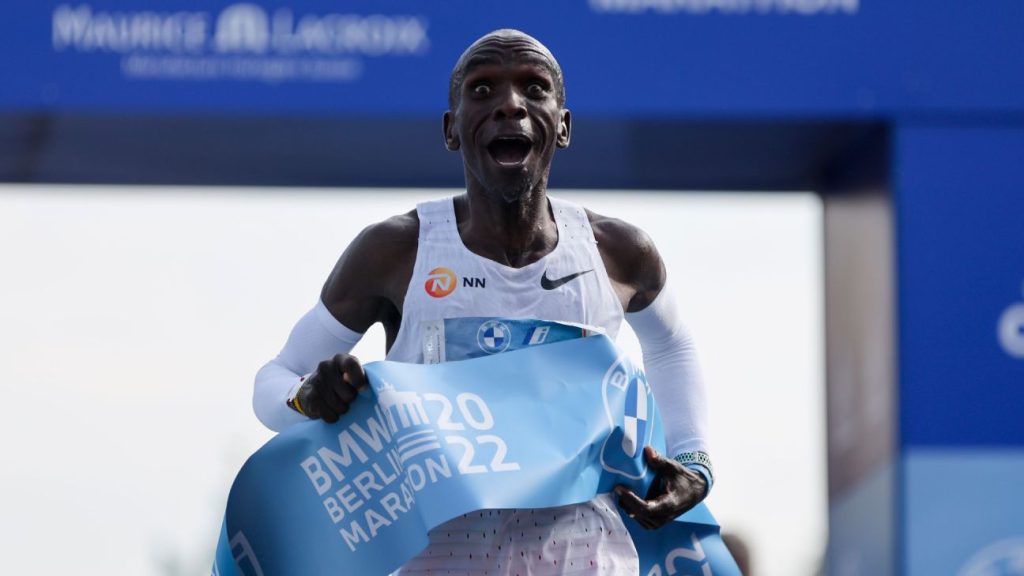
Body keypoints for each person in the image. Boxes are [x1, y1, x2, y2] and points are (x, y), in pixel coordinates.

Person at [253, 29, 712, 574]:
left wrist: (693, 460)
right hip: (440, 558)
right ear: (452, 130)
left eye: (534, 88)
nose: (509, 105)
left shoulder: (616, 252)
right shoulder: (397, 251)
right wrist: (309, 399)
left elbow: (673, 346)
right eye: (482, 90)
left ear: (562, 126)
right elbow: (274, 381)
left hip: (583, 557)